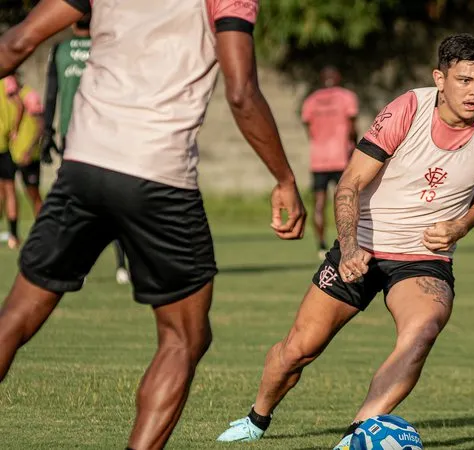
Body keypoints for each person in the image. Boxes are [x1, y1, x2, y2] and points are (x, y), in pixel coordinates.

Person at [0, 0, 306, 449]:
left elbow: (17, 41)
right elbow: (241, 92)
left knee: (17, 315)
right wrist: (283, 177)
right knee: (185, 337)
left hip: (82, 166)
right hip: (159, 175)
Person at [217, 33, 474, 449]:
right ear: (440, 78)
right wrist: (350, 245)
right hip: (364, 243)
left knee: (424, 329)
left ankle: (358, 435)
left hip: (423, 257)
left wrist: (461, 225)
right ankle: (256, 418)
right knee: (298, 350)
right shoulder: (406, 110)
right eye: (464, 80)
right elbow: (350, 184)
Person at [41, 12, 130, 284]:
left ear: (71, 22)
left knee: (72, 203)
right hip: (106, 135)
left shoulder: (60, 50)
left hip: (74, 138)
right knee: (115, 203)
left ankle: (66, 263)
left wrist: (47, 133)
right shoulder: (107, 47)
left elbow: (52, 94)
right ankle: (122, 266)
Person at [301, 66, 359, 259]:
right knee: (346, 202)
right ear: (338, 78)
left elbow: (309, 129)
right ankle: (346, 242)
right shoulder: (347, 97)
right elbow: (352, 130)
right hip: (341, 157)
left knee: (319, 203)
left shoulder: (311, 101)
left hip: (318, 159)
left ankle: (320, 246)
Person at [7, 79, 45, 233]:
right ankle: (13, 233)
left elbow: (41, 126)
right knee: (9, 190)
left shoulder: (30, 96)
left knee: (34, 195)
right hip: (13, 153)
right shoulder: (10, 97)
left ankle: (43, 231)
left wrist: (30, 150)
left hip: (28, 156)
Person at [0, 74, 23, 247]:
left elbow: (20, 104)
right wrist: (15, 128)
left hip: (4, 146)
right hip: (4, 146)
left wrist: (14, 129)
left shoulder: (6, 79)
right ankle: (13, 236)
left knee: (7, 190)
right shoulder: (7, 79)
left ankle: (13, 234)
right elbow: (19, 104)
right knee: (8, 190)